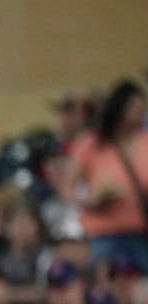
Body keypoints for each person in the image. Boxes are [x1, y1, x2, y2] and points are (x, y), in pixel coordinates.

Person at [63, 79, 148, 275]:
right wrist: (90, 200)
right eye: (132, 106)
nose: (138, 111)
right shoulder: (92, 143)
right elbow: (67, 186)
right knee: (104, 282)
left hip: (140, 231)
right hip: (104, 233)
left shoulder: (145, 141)